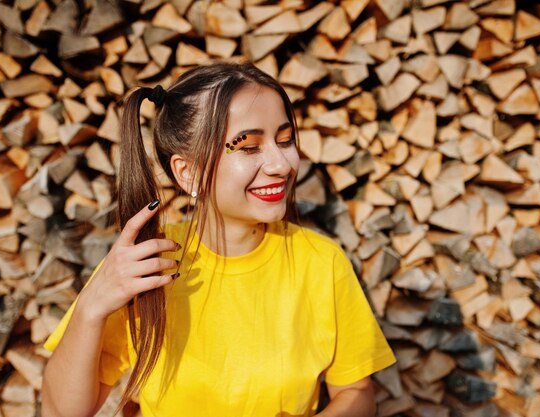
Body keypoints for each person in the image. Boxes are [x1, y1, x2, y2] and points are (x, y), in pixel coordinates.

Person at [41, 62, 396, 417]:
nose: (282, 164)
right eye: (249, 146)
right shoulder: (144, 267)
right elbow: (63, 412)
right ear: (188, 172)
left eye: (285, 140)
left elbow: (357, 391)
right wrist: (91, 308)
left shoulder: (322, 263)